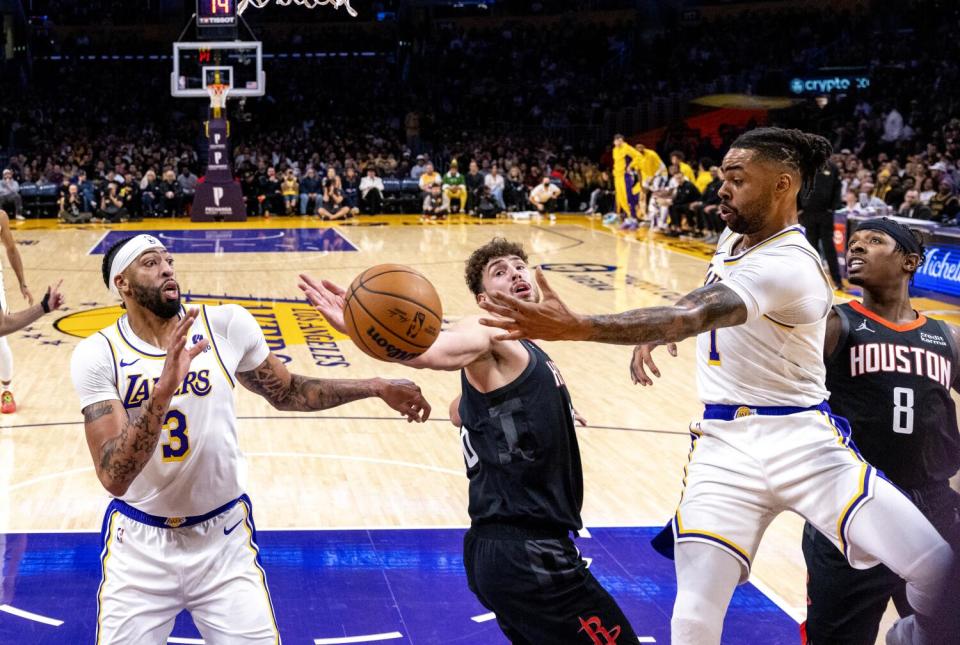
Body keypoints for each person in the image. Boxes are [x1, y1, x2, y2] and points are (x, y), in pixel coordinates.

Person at [476, 128, 953, 645]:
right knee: (693, 618)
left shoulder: (792, 264)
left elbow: (695, 313)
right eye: (723, 176)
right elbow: (703, 292)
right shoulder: (737, 236)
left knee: (936, 566)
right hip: (723, 447)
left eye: (736, 179)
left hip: (802, 439)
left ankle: (912, 636)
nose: (721, 189)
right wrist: (654, 328)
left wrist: (582, 326)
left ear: (782, 185)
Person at [71, 235, 430, 644]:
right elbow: (114, 475)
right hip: (140, 548)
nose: (168, 268)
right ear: (123, 283)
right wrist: (164, 391)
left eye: (168, 260)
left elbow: (289, 392)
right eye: (150, 263)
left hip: (223, 541)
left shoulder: (225, 325)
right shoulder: (98, 353)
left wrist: (376, 385)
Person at [298, 238, 640, 644]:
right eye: (500, 271)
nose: (515, 272)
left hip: (499, 552)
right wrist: (363, 326)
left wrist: (549, 408)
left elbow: (460, 410)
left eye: (519, 265)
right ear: (483, 299)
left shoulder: (517, 351)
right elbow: (433, 352)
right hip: (529, 552)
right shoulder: (487, 331)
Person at [800, 218, 960, 645]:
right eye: (853, 242)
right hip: (853, 505)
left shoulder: (946, 337)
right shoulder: (834, 324)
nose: (857, 248)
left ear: (910, 261)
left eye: (874, 241)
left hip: (934, 504)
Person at [799, 159, 843, 290]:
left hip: (825, 213)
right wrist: (798, 207)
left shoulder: (833, 167)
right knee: (811, 249)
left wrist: (833, 207)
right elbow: (798, 186)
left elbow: (837, 187)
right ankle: (813, 281)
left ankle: (837, 281)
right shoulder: (805, 166)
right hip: (808, 213)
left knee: (829, 248)